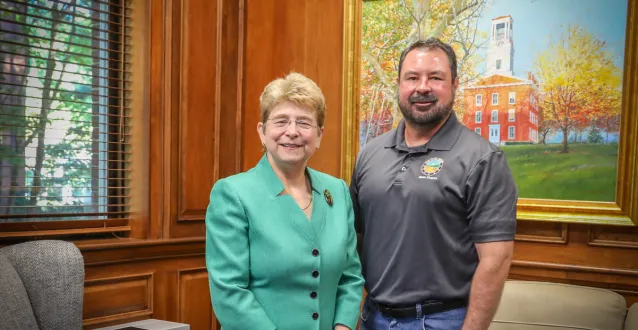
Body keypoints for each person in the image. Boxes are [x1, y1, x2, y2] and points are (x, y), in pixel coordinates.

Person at [350, 38, 518, 330]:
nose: (422, 87)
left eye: (435, 77)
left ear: (454, 83)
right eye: (412, 77)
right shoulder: (370, 153)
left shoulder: (483, 159)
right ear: (400, 85)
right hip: (372, 316)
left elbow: (496, 260)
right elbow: (355, 238)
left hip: (441, 321)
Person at [206, 72, 364, 330]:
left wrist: (343, 327)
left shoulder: (337, 191)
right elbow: (229, 291)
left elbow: (350, 277)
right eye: (281, 121)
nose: (292, 132)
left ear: (320, 135)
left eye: (304, 123)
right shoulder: (233, 194)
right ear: (263, 131)